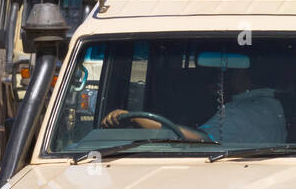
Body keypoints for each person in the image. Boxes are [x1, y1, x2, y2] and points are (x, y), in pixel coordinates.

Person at [100, 65, 286, 144]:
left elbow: (199, 139)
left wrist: (138, 118)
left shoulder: (243, 112)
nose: (224, 80)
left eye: (230, 74)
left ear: (246, 78)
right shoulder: (271, 105)